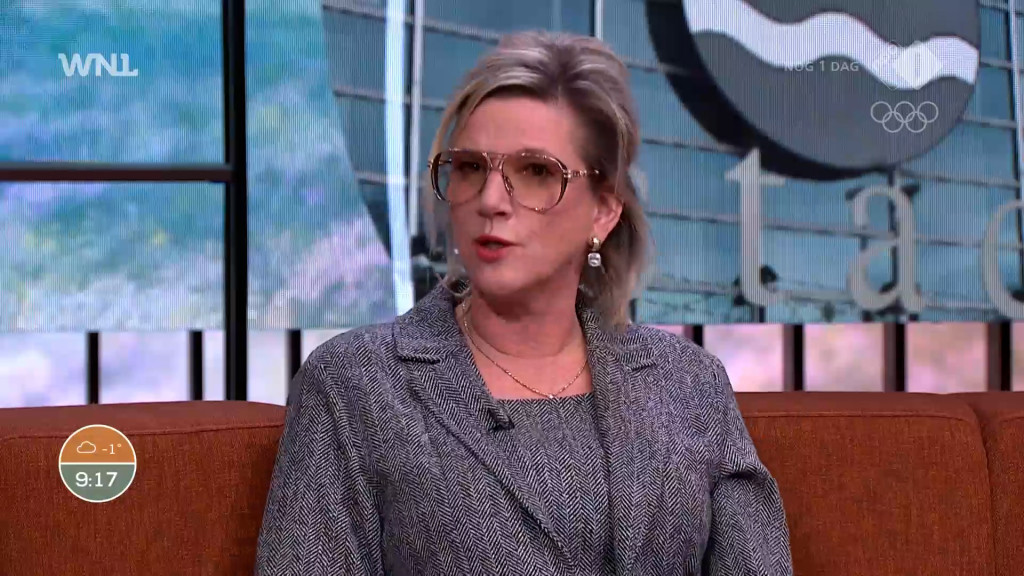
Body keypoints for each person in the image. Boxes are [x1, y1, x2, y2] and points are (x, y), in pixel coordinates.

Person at [255, 30, 793, 576]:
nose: (491, 201)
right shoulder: (355, 384)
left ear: (603, 212)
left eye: (535, 172)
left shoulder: (689, 385)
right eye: (470, 168)